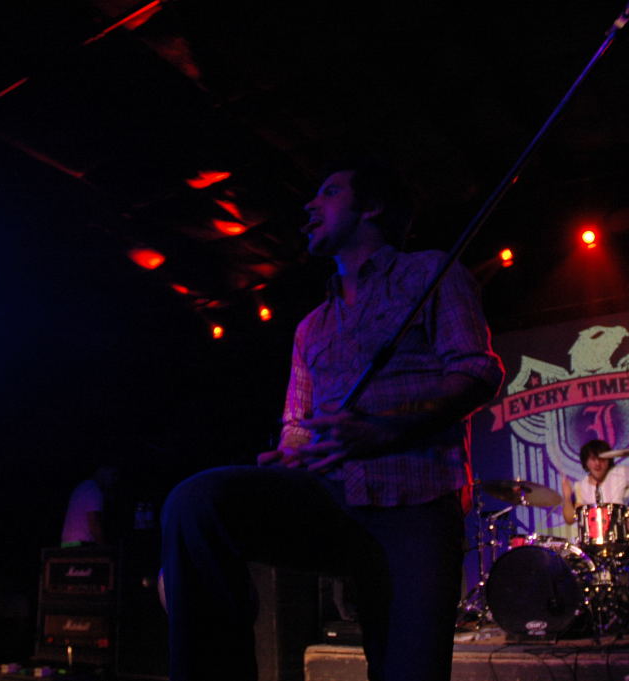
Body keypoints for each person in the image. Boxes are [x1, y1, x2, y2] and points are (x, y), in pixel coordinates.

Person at [160, 159, 504, 681]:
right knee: (198, 501)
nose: (310, 204)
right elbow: (297, 426)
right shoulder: (310, 327)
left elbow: (478, 371)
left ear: (372, 206)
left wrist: (385, 426)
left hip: (414, 505)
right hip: (332, 502)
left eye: (328, 192)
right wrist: (291, 455)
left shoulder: (431, 273)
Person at [560, 439, 629, 526]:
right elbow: (570, 519)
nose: (597, 463)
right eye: (593, 459)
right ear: (586, 462)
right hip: (595, 532)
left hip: (623, 529)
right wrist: (567, 497)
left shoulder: (623, 472)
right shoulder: (581, 486)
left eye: (602, 459)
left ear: (608, 460)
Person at [61, 464, 119, 546]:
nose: (115, 479)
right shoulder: (93, 490)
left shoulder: (84, 486)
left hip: (69, 543)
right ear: (102, 471)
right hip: (82, 544)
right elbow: (94, 523)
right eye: (113, 474)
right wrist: (103, 547)